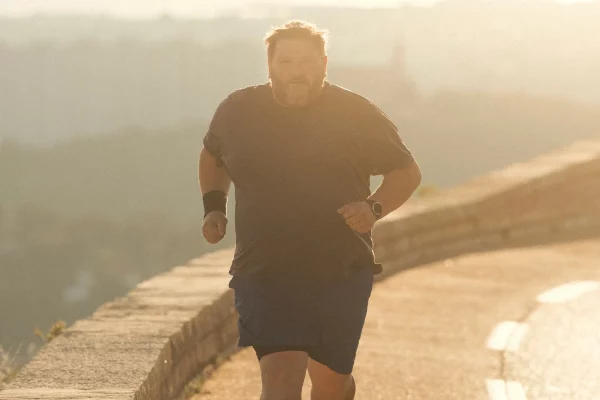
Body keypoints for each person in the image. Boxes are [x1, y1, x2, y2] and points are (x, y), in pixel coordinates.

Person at [199, 20, 422, 400]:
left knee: (331, 384)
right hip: (264, 270)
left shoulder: (356, 113)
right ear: (270, 66)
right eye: (286, 61)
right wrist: (213, 207)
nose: (296, 70)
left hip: (339, 270)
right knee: (281, 379)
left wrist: (373, 207)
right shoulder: (238, 110)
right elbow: (213, 155)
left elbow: (406, 172)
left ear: (323, 64)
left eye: (306, 61)